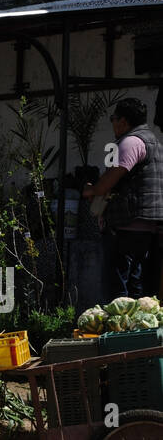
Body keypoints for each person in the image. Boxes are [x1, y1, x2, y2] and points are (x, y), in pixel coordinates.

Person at [83, 97, 163, 298]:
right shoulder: (153, 141)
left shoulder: (130, 142)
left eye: (113, 118)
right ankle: (138, 329)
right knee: (138, 287)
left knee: (119, 288)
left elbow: (108, 181)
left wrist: (91, 190)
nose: (113, 123)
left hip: (127, 225)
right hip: (147, 227)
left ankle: (121, 330)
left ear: (124, 121)